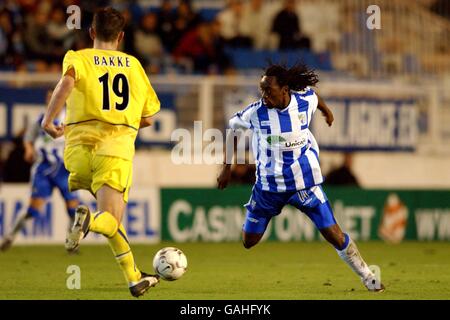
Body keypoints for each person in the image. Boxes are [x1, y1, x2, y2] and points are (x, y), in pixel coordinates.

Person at [217, 62, 385, 292]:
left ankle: (368, 276)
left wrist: (327, 111)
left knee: (334, 234)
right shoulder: (255, 112)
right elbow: (232, 130)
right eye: (262, 90)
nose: (264, 95)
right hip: (268, 187)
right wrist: (226, 168)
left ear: (285, 89)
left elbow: (315, 96)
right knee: (249, 241)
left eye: (269, 90)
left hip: (304, 183)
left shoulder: (304, 101)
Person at [41, 7, 161, 298]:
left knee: (112, 223)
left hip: (77, 151)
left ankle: (134, 278)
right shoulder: (133, 66)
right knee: (109, 220)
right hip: (114, 149)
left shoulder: (77, 57)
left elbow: (66, 83)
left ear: (92, 32)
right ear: (121, 36)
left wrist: (49, 120)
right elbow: (147, 118)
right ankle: (88, 222)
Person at [0, 90, 80, 252]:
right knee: (33, 210)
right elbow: (28, 139)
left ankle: (71, 242)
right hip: (43, 169)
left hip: (64, 169)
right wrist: (28, 149)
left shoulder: (71, 119)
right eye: (50, 98)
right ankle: (10, 236)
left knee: (74, 209)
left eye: (56, 97)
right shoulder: (40, 120)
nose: (53, 101)